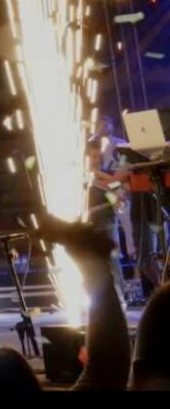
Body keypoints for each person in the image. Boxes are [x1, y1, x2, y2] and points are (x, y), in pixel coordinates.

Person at [87, 115, 130, 302]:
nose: (96, 160)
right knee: (92, 260)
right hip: (89, 223)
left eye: (98, 157)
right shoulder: (84, 175)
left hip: (106, 220)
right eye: (93, 157)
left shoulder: (105, 174)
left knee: (112, 258)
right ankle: (98, 296)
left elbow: (117, 187)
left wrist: (97, 175)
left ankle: (120, 295)